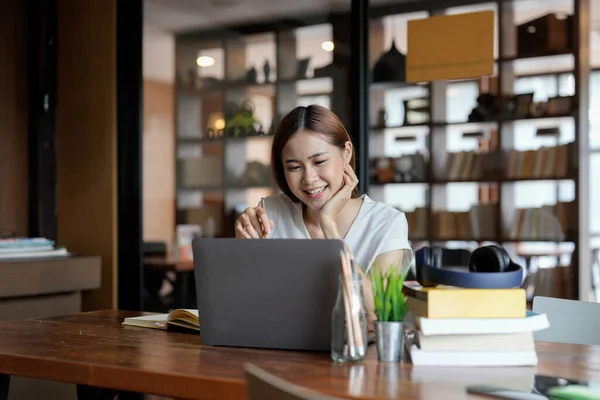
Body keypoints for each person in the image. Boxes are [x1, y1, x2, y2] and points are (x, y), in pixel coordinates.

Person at [234, 104, 413, 326]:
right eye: (294, 167)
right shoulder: (271, 214)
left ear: (346, 153)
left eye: (319, 162)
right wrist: (242, 249)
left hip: (356, 356)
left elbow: (378, 317)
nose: (309, 178)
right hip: (280, 355)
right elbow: (248, 309)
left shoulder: (386, 223)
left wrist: (330, 227)